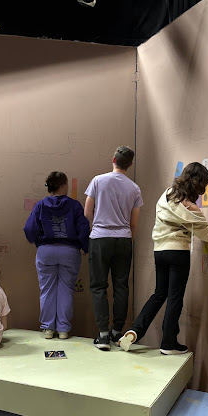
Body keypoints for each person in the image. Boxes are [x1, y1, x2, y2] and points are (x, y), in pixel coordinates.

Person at [119, 162, 208, 355]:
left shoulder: (165, 195)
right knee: (175, 297)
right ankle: (168, 343)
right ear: (199, 185)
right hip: (178, 253)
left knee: (159, 294)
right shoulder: (192, 209)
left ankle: (135, 330)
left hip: (159, 252)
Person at [84, 146, 143, 350]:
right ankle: (117, 331)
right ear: (130, 165)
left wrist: (100, 224)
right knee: (121, 286)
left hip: (100, 237)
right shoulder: (134, 188)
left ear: (113, 159)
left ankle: (102, 336)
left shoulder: (98, 181)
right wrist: (128, 239)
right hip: (123, 239)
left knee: (99, 286)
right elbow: (134, 222)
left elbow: (87, 211)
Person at [24, 171, 89, 339]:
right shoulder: (74, 206)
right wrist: (85, 247)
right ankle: (63, 330)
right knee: (66, 289)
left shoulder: (40, 205)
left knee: (47, 290)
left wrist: (37, 240)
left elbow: (29, 229)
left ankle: (47, 328)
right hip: (69, 251)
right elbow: (83, 229)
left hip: (46, 251)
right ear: (62, 185)